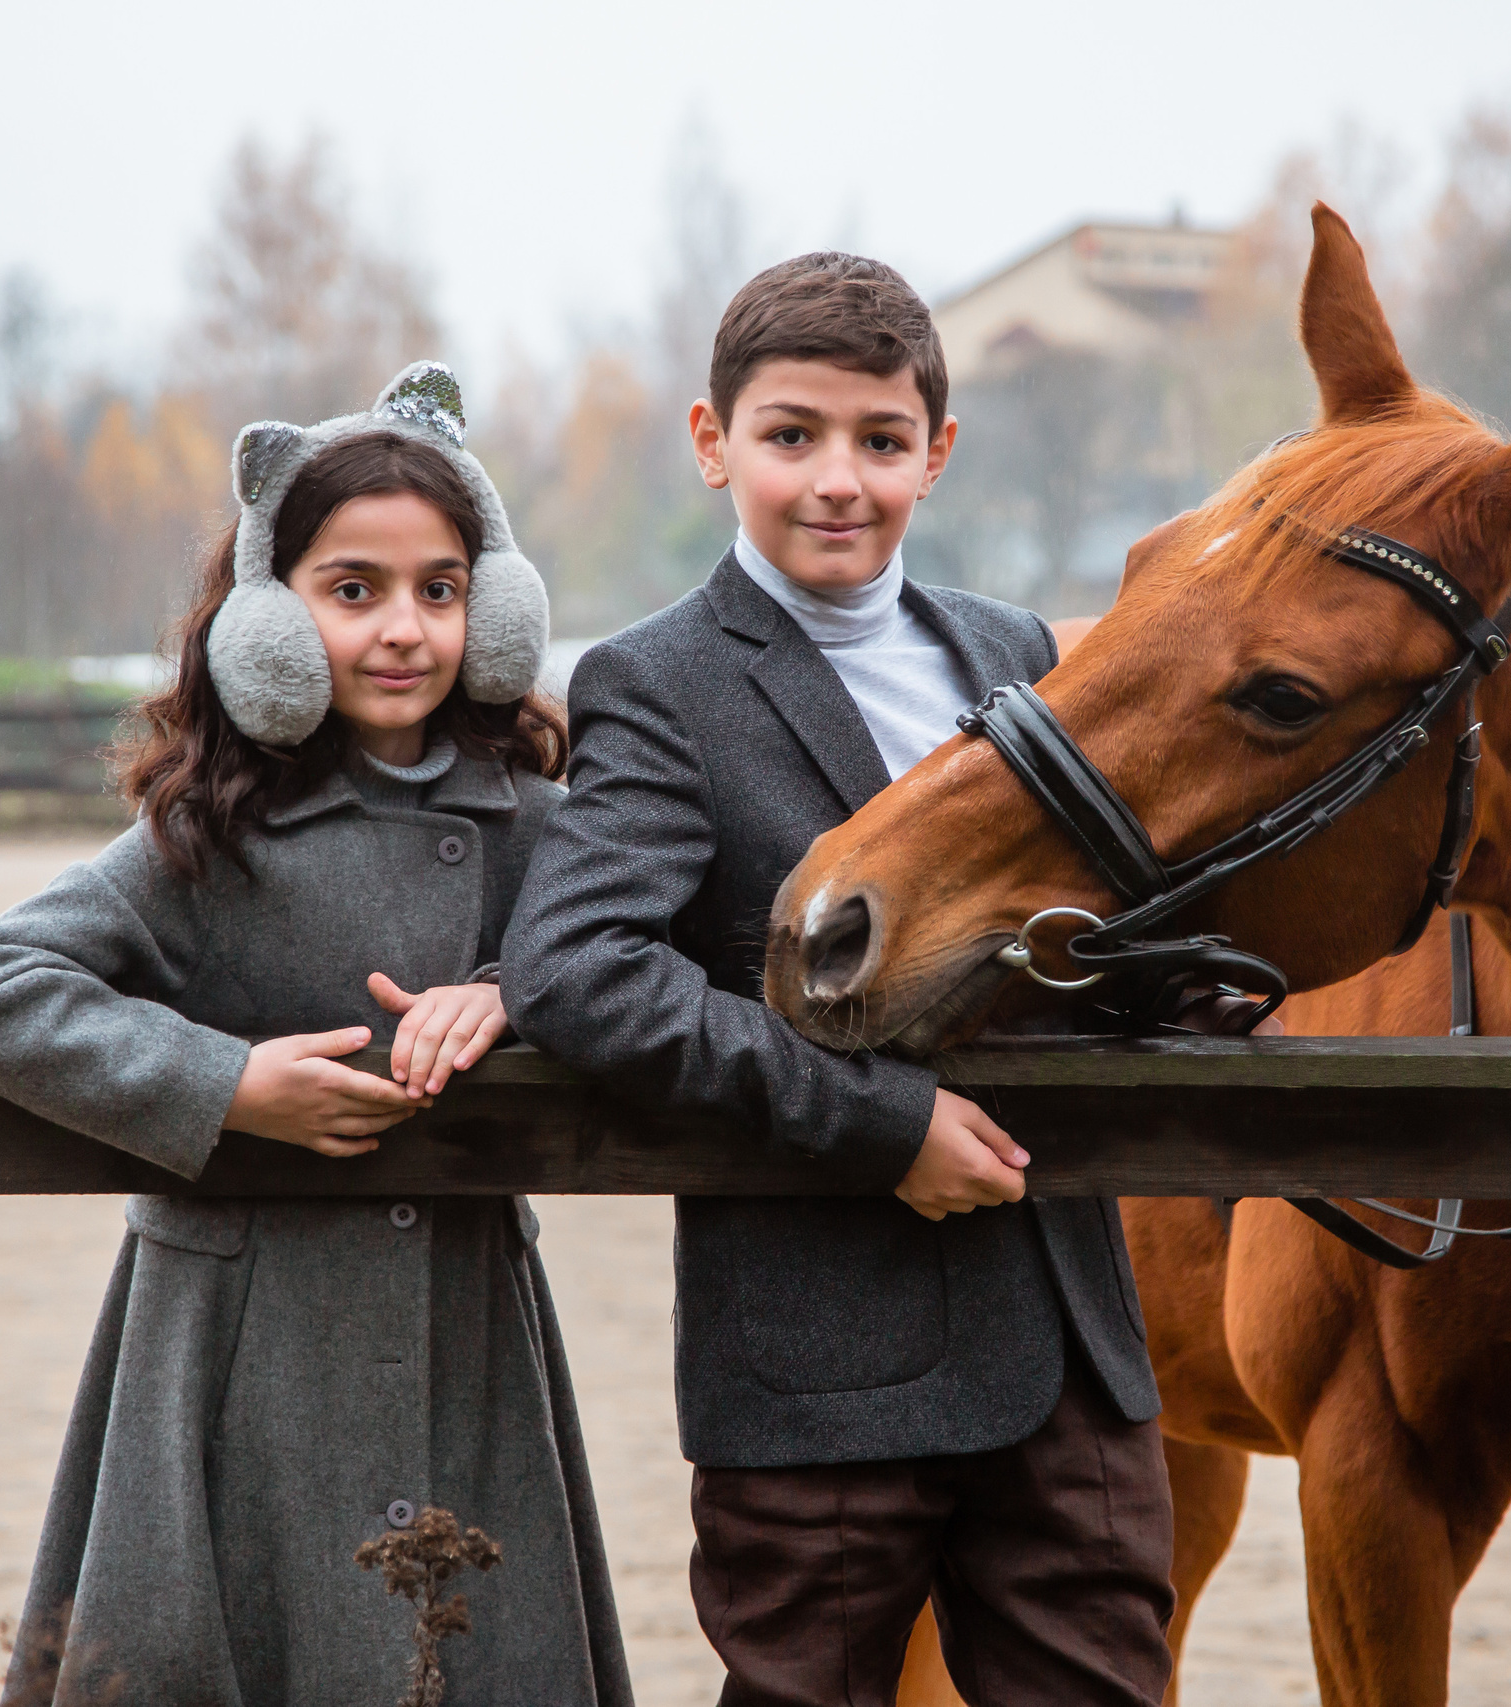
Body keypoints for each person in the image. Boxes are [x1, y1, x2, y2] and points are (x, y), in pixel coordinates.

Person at [504, 255, 1177, 1706]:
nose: (837, 479)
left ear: (937, 453)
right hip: (820, 1357)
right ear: (713, 443)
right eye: (791, 435)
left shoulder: (1016, 653)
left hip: (1064, 1335)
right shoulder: (658, 683)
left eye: (880, 440)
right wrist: (879, 1125)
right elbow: (579, 971)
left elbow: (1079, 929)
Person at [0, 363, 632, 1707]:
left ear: (492, 611)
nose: (404, 628)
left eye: (441, 589)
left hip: (468, 1318)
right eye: (352, 589)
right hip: (235, 1340)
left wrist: (516, 987)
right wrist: (225, 1085)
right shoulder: (207, 834)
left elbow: (652, 962)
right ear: (267, 618)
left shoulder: (538, 825)